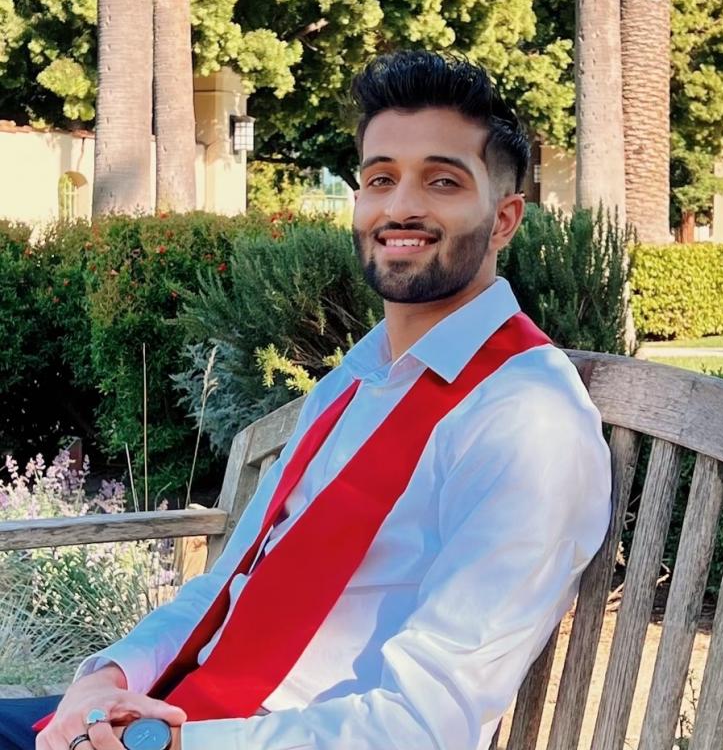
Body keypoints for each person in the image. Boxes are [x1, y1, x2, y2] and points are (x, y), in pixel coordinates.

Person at [7, 50, 610, 750]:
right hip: (178, 711)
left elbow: (424, 724)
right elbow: (228, 584)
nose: (400, 207)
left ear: (504, 219)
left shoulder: (527, 421)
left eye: (443, 181)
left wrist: (164, 744)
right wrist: (105, 680)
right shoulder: (357, 380)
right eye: (380, 178)